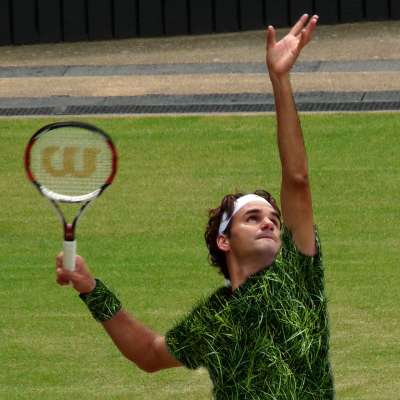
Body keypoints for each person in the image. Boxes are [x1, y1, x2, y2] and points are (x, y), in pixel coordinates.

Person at [56, 14, 335, 399]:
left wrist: (280, 80)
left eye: (273, 218)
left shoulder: (298, 275)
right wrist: (89, 288)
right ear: (225, 241)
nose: (270, 223)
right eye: (252, 218)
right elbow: (150, 354)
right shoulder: (213, 318)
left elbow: (297, 179)